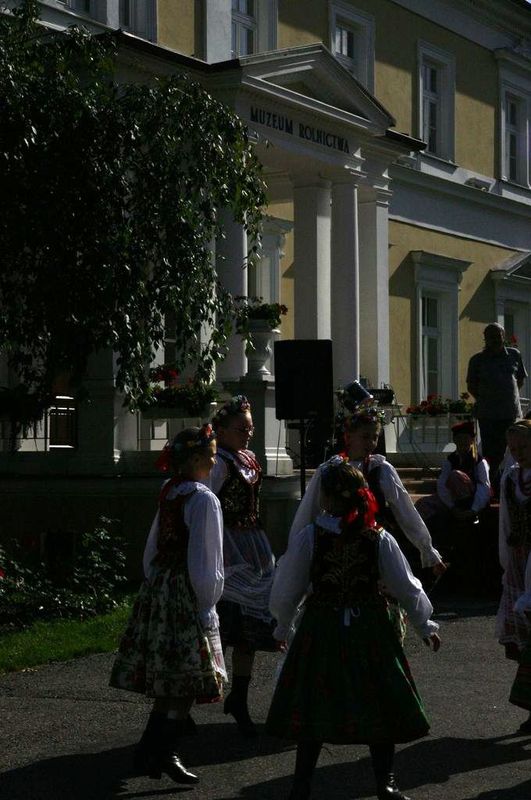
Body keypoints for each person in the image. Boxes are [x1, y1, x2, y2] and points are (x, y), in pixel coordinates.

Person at [266, 457, 441, 800]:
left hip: (326, 627)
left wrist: (282, 626)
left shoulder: (315, 537)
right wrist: (424, 624)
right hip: (366, 627)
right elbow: (406, 587)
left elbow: (287, 590)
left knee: (317, 700)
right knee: (378, 699)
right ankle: (383, 782)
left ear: (327, 498)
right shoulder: (375, 538)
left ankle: (305, 784)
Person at [110, 425, 225, 785]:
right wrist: (207, 604)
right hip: (185, 591)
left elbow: (152, 546)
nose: (214, 461)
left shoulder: (171, 490)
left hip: (162, 585)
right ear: (195, 459)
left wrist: (154, 582)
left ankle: (150, 750)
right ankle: (164, 751)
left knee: (173, 678)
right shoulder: (203, 499)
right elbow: (206, 559)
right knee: (189, 678)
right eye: (210, 455)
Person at [290, 405, 445, 576]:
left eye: (375, 437)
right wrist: (294, 553)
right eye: (365, 437)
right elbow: (308, 512)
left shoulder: (381, 469)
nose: (371, 443)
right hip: (334, 544)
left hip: (372, 544)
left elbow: (405, 511)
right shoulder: (329, 469)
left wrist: (427, 548)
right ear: (349, 437)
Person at [207, 394, 277, 736]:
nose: (247, 434)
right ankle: (188, 698)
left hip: (252, 546)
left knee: (249, 627)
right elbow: (205, 505)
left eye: (249, 429)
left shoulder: (248, 458)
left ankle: (240, 696)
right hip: (226, 548)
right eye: (240, 429)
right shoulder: (217, 463)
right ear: (220, 430)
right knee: (218, 627)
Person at [496, 420, 531, 732]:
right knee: (525, 639)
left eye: (525, 447)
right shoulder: (511, 477)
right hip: (520, 561)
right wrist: (506, 561)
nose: (519, 453)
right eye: (514, 448)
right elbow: (505, 520)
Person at [415, 420, 490, 559]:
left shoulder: (479, 461)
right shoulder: (450, 460)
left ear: (472, 440)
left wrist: (474, 509)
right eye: (459, 438)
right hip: (452, 500)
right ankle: (428, 544)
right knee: (422, 505)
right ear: (455, 440)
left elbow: (484, 486)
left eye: (466, 438)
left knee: (456, 476)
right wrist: (451, 506)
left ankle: (466, 518)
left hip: (471, 500)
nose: (463, 442)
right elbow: (442, 485)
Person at [466, 323, 527, 491]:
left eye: (497, 336)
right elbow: (471, 386)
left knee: (512, 451)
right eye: (490, 337)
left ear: (503, 336)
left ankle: (509, 485)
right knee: (491, 453)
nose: (494, 340)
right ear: (485, 339)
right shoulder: (477, 360)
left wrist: (507, 396)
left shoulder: (514, 355)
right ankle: (490, 487)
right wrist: (487, 398)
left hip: (510, 413)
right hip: (488, 415)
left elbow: (520, 379)